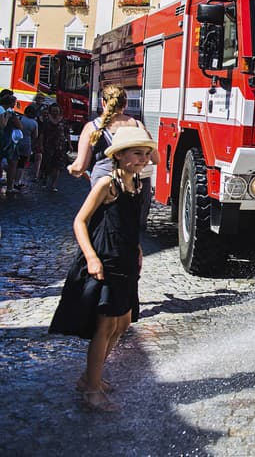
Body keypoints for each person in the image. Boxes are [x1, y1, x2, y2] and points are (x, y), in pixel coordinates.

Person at [49, 127, 156, 412]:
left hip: (125, 260)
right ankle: (93, 389)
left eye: (146, 154)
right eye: (137, 153)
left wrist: (138, 250)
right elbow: (79, 222)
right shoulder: (107, 184)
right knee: (106, 324)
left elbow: (131, 225)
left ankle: (89, 378)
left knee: (123, 323)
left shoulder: (137, 184)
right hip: (105, 259)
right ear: (119, 155)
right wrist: (91, 258)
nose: (143, 159)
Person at [69, 84, 160, 231]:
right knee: (129, 231)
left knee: (103, 229)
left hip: (105, 188)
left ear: (103, 103)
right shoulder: (138, 125)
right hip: (134, 186)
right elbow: (156, 159)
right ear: (126, 104)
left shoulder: (92, 127)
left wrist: (70, 168)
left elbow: (80, 166)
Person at [39, 104, 69, 192]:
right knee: (47, 164)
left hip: (60, 146)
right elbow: (42, 134)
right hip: (48, 146)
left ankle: (54, 184)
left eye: (57, 111)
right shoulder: (46, 120)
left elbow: (67, 133)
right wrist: (40, 144)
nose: (55, 112)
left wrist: (70, 144)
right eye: (53, 111)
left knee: (57, 166)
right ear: (50, 111)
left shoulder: (63, 121)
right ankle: (45, 179)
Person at [1, 93, 23, 195]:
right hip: (9, 140)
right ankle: (10, 187)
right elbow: (20, 126)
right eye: (14, 102)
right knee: (13, 163)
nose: (15, 104)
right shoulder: (9, 113)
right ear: (10, 103)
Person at [15, 105, 39, 188]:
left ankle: (10, 178)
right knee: (21, 163)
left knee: (13, 161)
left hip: (16, 141)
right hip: (27, 143)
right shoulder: (34, 123)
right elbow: (35, 136)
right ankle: (17, 181)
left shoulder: (20, 119)